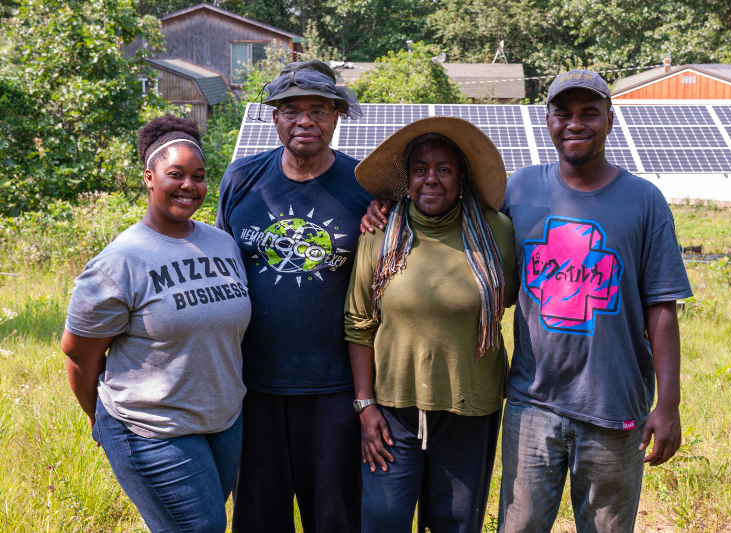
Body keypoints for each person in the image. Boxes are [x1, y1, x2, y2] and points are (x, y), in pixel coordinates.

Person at [361, 70, 693, 533]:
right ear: (548, 120)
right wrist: (386, 206)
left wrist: (669, 403)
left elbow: (661, 306)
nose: (575, 123)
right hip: (532, 400)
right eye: (563, 113)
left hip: (613, 404)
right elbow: (450, 217)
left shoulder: (644, 201)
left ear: (610, 120)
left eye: (589, 113)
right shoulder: (518, 191)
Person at [61, 115, 251, 533]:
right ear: (149, 178)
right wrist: (99, 419)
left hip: (222, 422)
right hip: (151, 428)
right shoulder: (121, 261)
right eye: (176, 174)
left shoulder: (222, 244)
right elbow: (78, 353)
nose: (189, 185)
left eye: (199, 176)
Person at [215, 59, 372, 533]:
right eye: (291, 110)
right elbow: (221, 269)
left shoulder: (366, 186)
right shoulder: (242, 179)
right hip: (253, 385)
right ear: (274, 117)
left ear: (336, 116)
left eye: (318, 110)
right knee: (259, 517)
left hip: (334, 386)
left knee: (335, 517)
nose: (305, 121)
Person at [345, 117, 518, 533]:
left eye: (444, 169)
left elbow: (512, 297)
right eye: (420, 169)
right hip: (393, 410)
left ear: (462, 177)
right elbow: (358, 323)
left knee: (455, 521)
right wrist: (365, 406)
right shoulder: (379, 232)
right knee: (384, 518)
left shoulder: (496, 230)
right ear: (407, 179)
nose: (432, 179)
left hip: (469, 407)